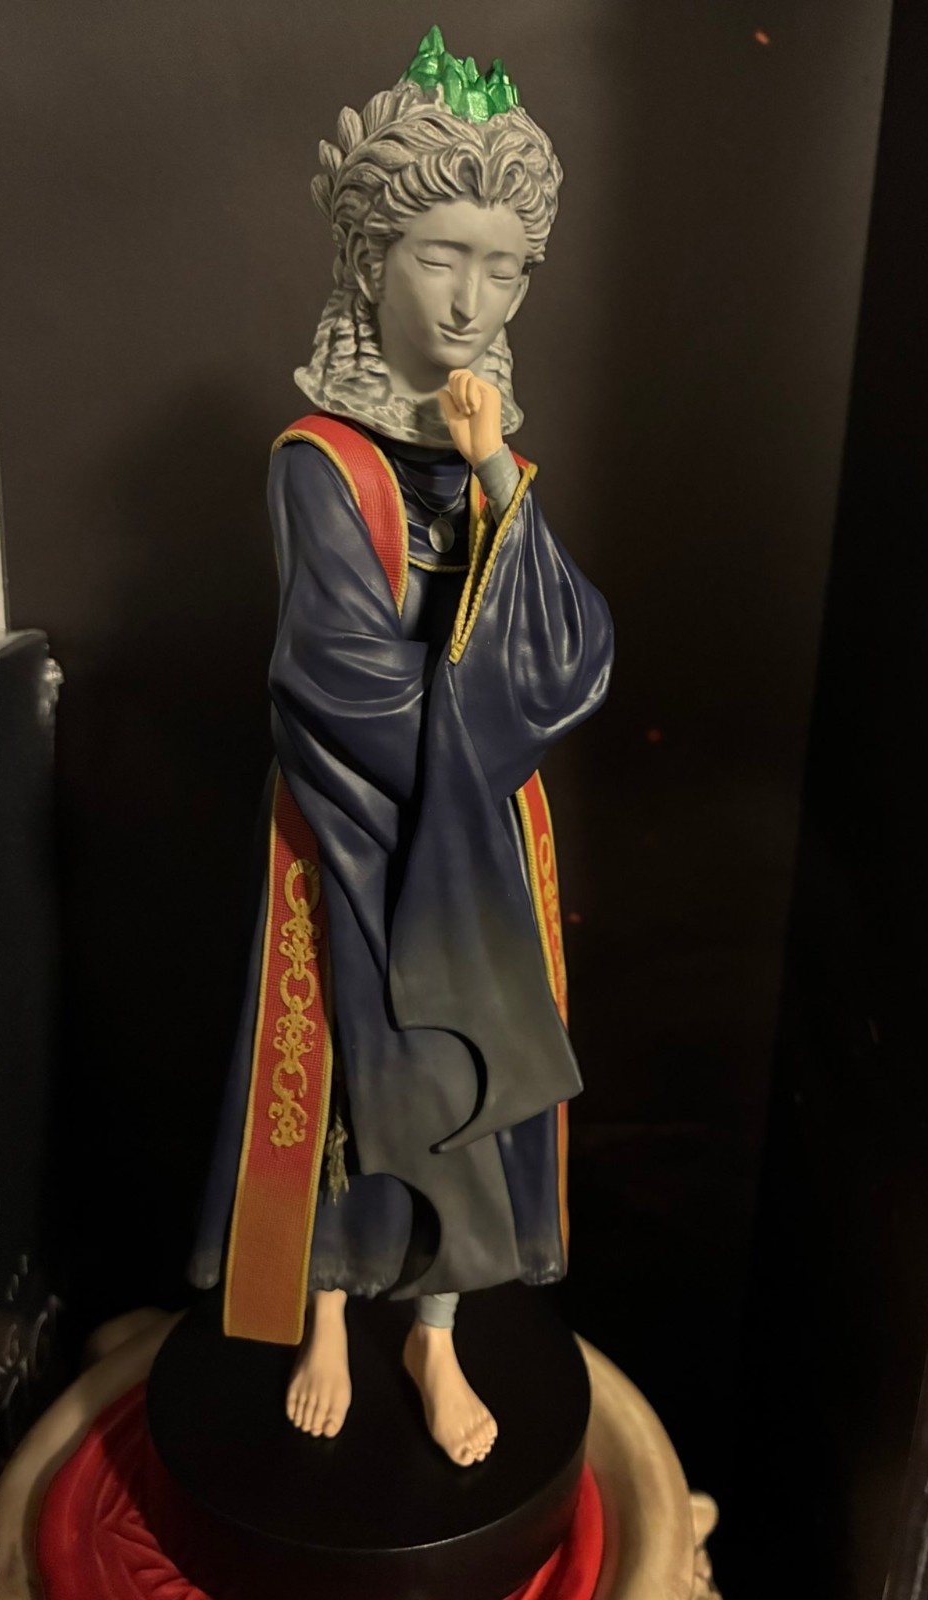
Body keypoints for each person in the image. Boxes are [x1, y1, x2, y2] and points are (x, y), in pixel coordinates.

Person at [188, 29, 613, 1469]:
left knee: (475, 1084)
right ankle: (327, 1310)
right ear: (371, 257)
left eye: (505, 269)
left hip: (481, 845)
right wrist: (475, 731)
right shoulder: (319, 462)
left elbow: (571, 653)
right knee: (350, 1082)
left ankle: (435, 1331)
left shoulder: (497, 458)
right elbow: (336, 677)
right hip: (361, 834)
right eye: (441, 257)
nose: (471, 300)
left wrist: (494, 472)